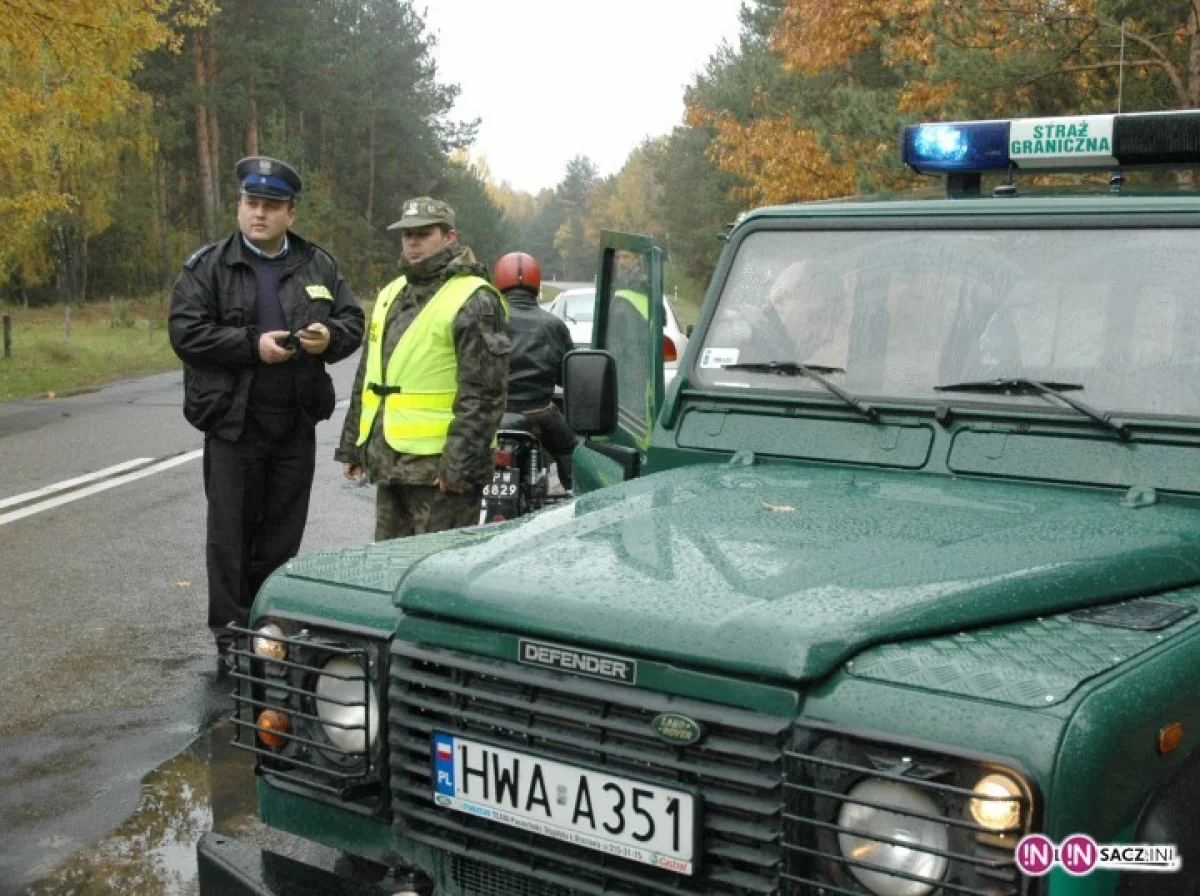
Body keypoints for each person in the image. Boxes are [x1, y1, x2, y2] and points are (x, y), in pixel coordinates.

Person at [169, 155, 364, 656]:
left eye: (271, 206)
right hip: (234, 424)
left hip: (294, 423)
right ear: (239, 206)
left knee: (281, 535)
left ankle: (270, 630)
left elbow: (351, 323)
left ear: (290, 214)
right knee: (230, 539)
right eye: (251, 203)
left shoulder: (317, 264)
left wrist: (328, 337)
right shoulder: (209, 266)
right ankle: (233, 643)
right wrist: (251, 345)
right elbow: (186, 333)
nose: (259, 213)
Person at [336, 197, 510, 540]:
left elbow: (484, 394)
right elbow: (369, 375)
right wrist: (354, 446)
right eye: (406, 235)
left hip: (440, 474)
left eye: (422, 233)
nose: (412, 242)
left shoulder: (474, 298)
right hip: (391, 464)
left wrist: (459, 468)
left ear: (449, 237)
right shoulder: (392, 293)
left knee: (438, 578)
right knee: (388, 572)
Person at [493, 251, 578, 490]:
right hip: (538, 412)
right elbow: (567, 377)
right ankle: (576, 498)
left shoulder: (486, 319)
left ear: (498, 282)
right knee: (571, 449)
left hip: (491, 414)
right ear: (536, 284)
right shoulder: (554, 325)